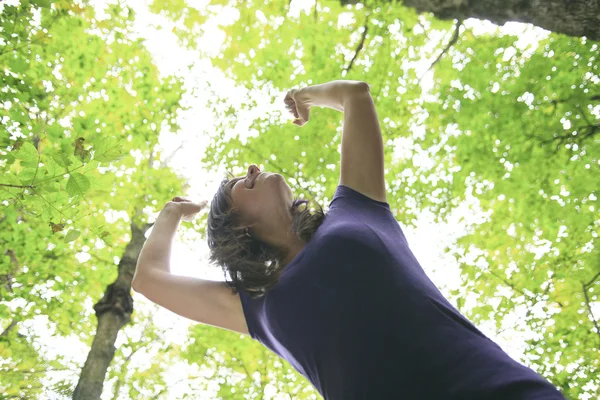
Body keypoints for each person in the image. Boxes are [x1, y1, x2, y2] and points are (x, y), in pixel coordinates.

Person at [132, 80, 566, 399]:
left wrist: (303, 96)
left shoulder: (356, 207)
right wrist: (172, 212)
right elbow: (148, 280)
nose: (250, 168)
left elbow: (355, 95)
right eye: (238, 186)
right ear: (237, 227)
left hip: (498, 390)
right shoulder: (253, 306)